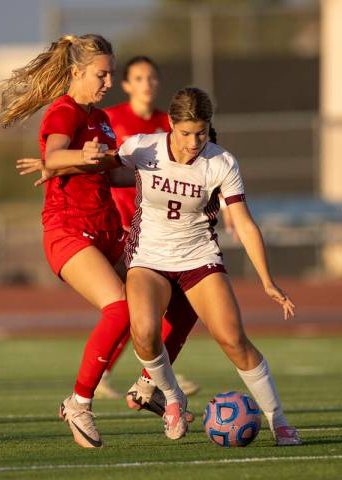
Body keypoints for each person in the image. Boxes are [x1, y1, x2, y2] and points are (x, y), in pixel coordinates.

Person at [0, 34, 195, 449]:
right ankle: (79, 402)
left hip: (107, 229)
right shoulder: (64, 110)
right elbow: (54, 154)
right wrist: (73, 159)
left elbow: (112, 173)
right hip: (68, 231)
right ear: (77, 72)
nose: (108, 81)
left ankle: (148, 385)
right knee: (121, 307)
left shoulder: (100, 119)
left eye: (111, 74)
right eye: (101, 74)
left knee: (182, 295)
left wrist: (170, 174)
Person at [92, 87, 302, 446]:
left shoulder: (222, 162)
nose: (193, 142)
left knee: (233, 339)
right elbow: (102, 171)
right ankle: (172, 397)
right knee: (143, 333)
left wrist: (268, 281)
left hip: (199, 259)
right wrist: (55, 163)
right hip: (149, 258)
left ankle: (279, 421)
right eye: (186, 133)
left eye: (201, 133)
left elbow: (246, 224)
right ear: (171, 124)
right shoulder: (142, 147)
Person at [95, 55, 199, 400]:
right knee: (132, 305)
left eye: (152, 78)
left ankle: (153, 373)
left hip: (157, 228)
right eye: (139, 78)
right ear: (126, 85)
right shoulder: (111, 118)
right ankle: (139, 374)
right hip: (122, 225)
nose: (147, 83)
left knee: (160, 305)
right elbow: (106, 169)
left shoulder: (166, 124)